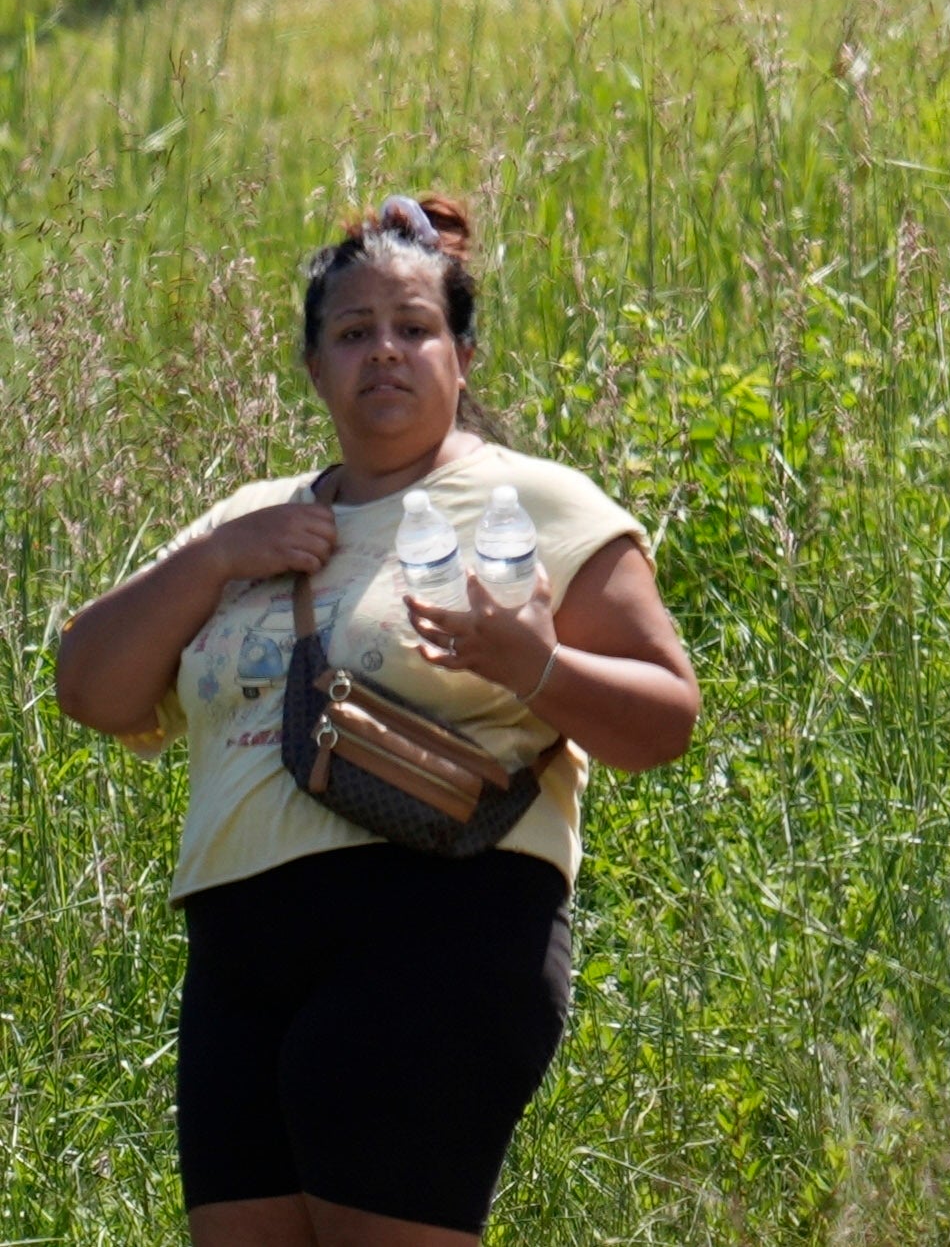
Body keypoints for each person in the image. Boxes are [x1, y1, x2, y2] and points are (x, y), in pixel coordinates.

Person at [54, 197, 698, 1247]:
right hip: (240, 946)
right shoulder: (249, 518)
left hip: (441, 919)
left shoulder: (534, 502)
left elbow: (664, 719)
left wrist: (533, 663)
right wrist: (216, 556)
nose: (384, 353)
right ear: (313, 366)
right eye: (353, 333)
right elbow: (91, 687)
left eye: (413, 329)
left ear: (463, 353)